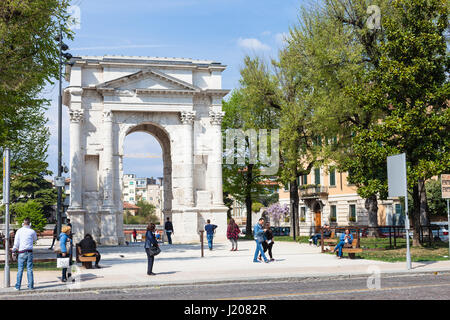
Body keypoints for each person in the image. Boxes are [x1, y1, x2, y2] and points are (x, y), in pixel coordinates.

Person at [12, 218, 37, 290]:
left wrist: (13, 251)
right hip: (29, 251)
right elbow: (35, 239)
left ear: (23, 223)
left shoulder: (19, 231)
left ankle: (18, 286)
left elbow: (16, 243)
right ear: (30, 224)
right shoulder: (32, 231)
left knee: (20, 269)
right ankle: (30, 286)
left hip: (21, 252)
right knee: (29, 269)